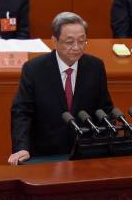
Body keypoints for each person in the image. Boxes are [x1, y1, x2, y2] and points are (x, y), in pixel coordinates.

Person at [9, 12, 113, 164]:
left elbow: (105, 109)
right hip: (45, 154)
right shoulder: (34, 69)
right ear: (54, 41)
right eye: (69, 42)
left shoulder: (95, 67)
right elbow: (22, 112)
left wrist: (111, 143)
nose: (77, 47)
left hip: (85, 153)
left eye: (82, 41)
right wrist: (21, 147)